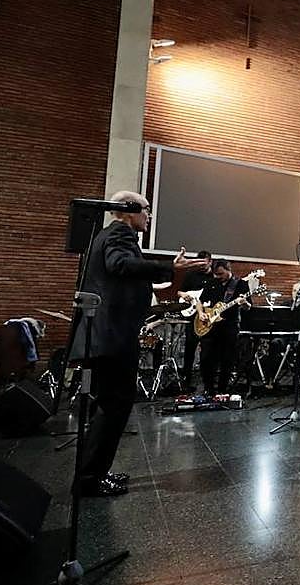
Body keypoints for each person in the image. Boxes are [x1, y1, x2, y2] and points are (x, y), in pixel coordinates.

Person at [72, 191, 206, 497]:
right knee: (113, 407)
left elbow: (124, 270)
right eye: (146, 210)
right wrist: (170, 268)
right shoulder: (120, 233)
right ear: (128, 211)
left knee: (109, 407)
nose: (149, 216)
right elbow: (121, 264)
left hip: (107, 335)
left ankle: (93, 474)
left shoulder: (109, 235)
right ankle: (90, 479)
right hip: (112, 336)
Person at [197, 259, 251, 396]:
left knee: (227, 360)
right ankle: (208, 388)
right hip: (210, 327)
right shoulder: (212, 282)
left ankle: (222, 390)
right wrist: (201, 313)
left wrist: (244, 303)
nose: (217, 277)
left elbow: (249, 307)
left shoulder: (241, 284)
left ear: (229, 270)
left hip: (229, 327)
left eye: (220, 274)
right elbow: (200, 301)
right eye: (215, 274)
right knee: (205, 358)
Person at [178, 250, 212, 388]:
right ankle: (186, 378)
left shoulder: (214, 277)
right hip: (191, 315)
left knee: (206, 349)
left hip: (206, 316)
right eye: (200, 263)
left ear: (210, 262)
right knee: (189, 348)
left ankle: (206, 381)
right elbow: (179, 291)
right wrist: (184, 295)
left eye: (204, 263)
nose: (202, 266)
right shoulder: (190, 275)